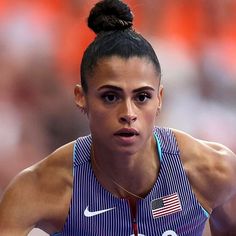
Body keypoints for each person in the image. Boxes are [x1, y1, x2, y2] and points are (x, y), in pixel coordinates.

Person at [0, 0, 236, 235]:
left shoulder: (213, 170)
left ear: (160, 99)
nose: (128, 114)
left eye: (142, 97)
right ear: (81, 97)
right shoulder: (39, 188)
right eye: (111, 97)